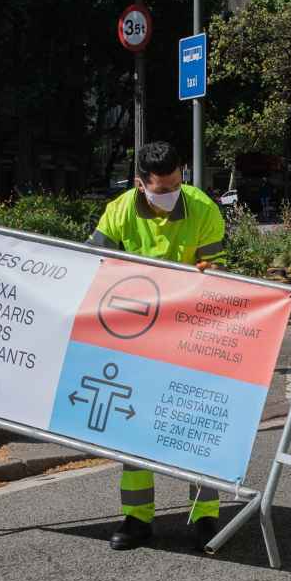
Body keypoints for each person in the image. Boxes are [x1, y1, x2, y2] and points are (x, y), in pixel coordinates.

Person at [87, 141, 227, 551]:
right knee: (133, 425)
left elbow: (216, 273)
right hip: (136, 333)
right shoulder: (120, 211)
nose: (169, 194)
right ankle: (137, 518)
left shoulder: (202, 209)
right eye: (159, 189)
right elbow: (95, 262)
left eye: (175, 184)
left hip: (191, 330)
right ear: (140, 184)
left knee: (194, 424)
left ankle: (204, 518)